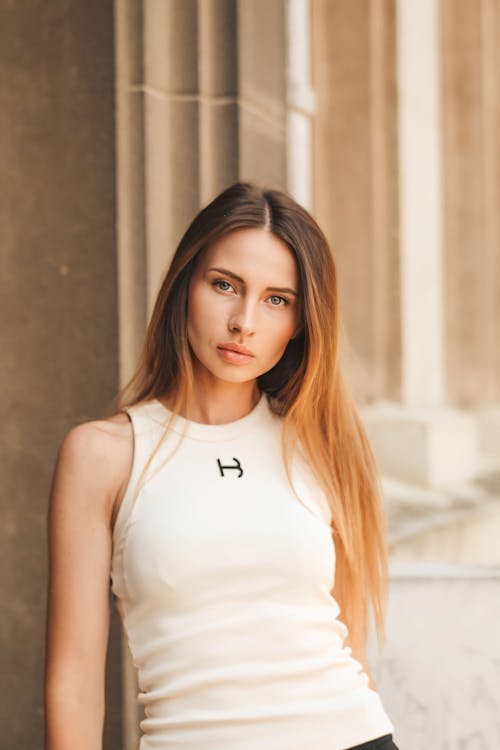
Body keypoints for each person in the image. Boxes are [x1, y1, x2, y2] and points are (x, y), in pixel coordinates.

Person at [44, 181, 400, 750]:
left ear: (302, 322)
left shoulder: (321, 444)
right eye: (225, 286)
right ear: (185, 285)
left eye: (276, 299)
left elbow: (349, 652)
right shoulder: (103, 454)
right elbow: (75, 685)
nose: (244, 322)